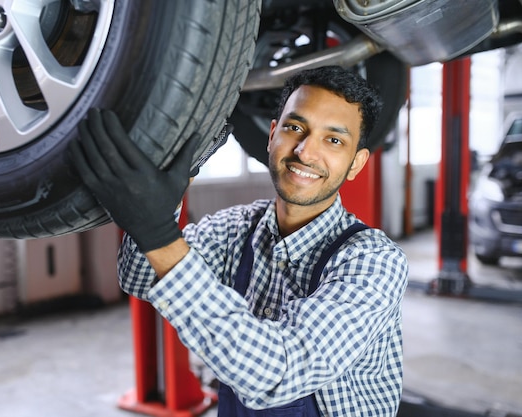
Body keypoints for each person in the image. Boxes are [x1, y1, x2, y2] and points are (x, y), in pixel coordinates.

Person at [69, 65, 409, 416]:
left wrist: (158, 234)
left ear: (356, 164)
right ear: (271, 134)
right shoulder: (237, 228)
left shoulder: (375, 262)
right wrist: (164, 205)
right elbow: (138, 278)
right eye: (295, 128)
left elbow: (280, 374)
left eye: (334, 140)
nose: (305, 152)